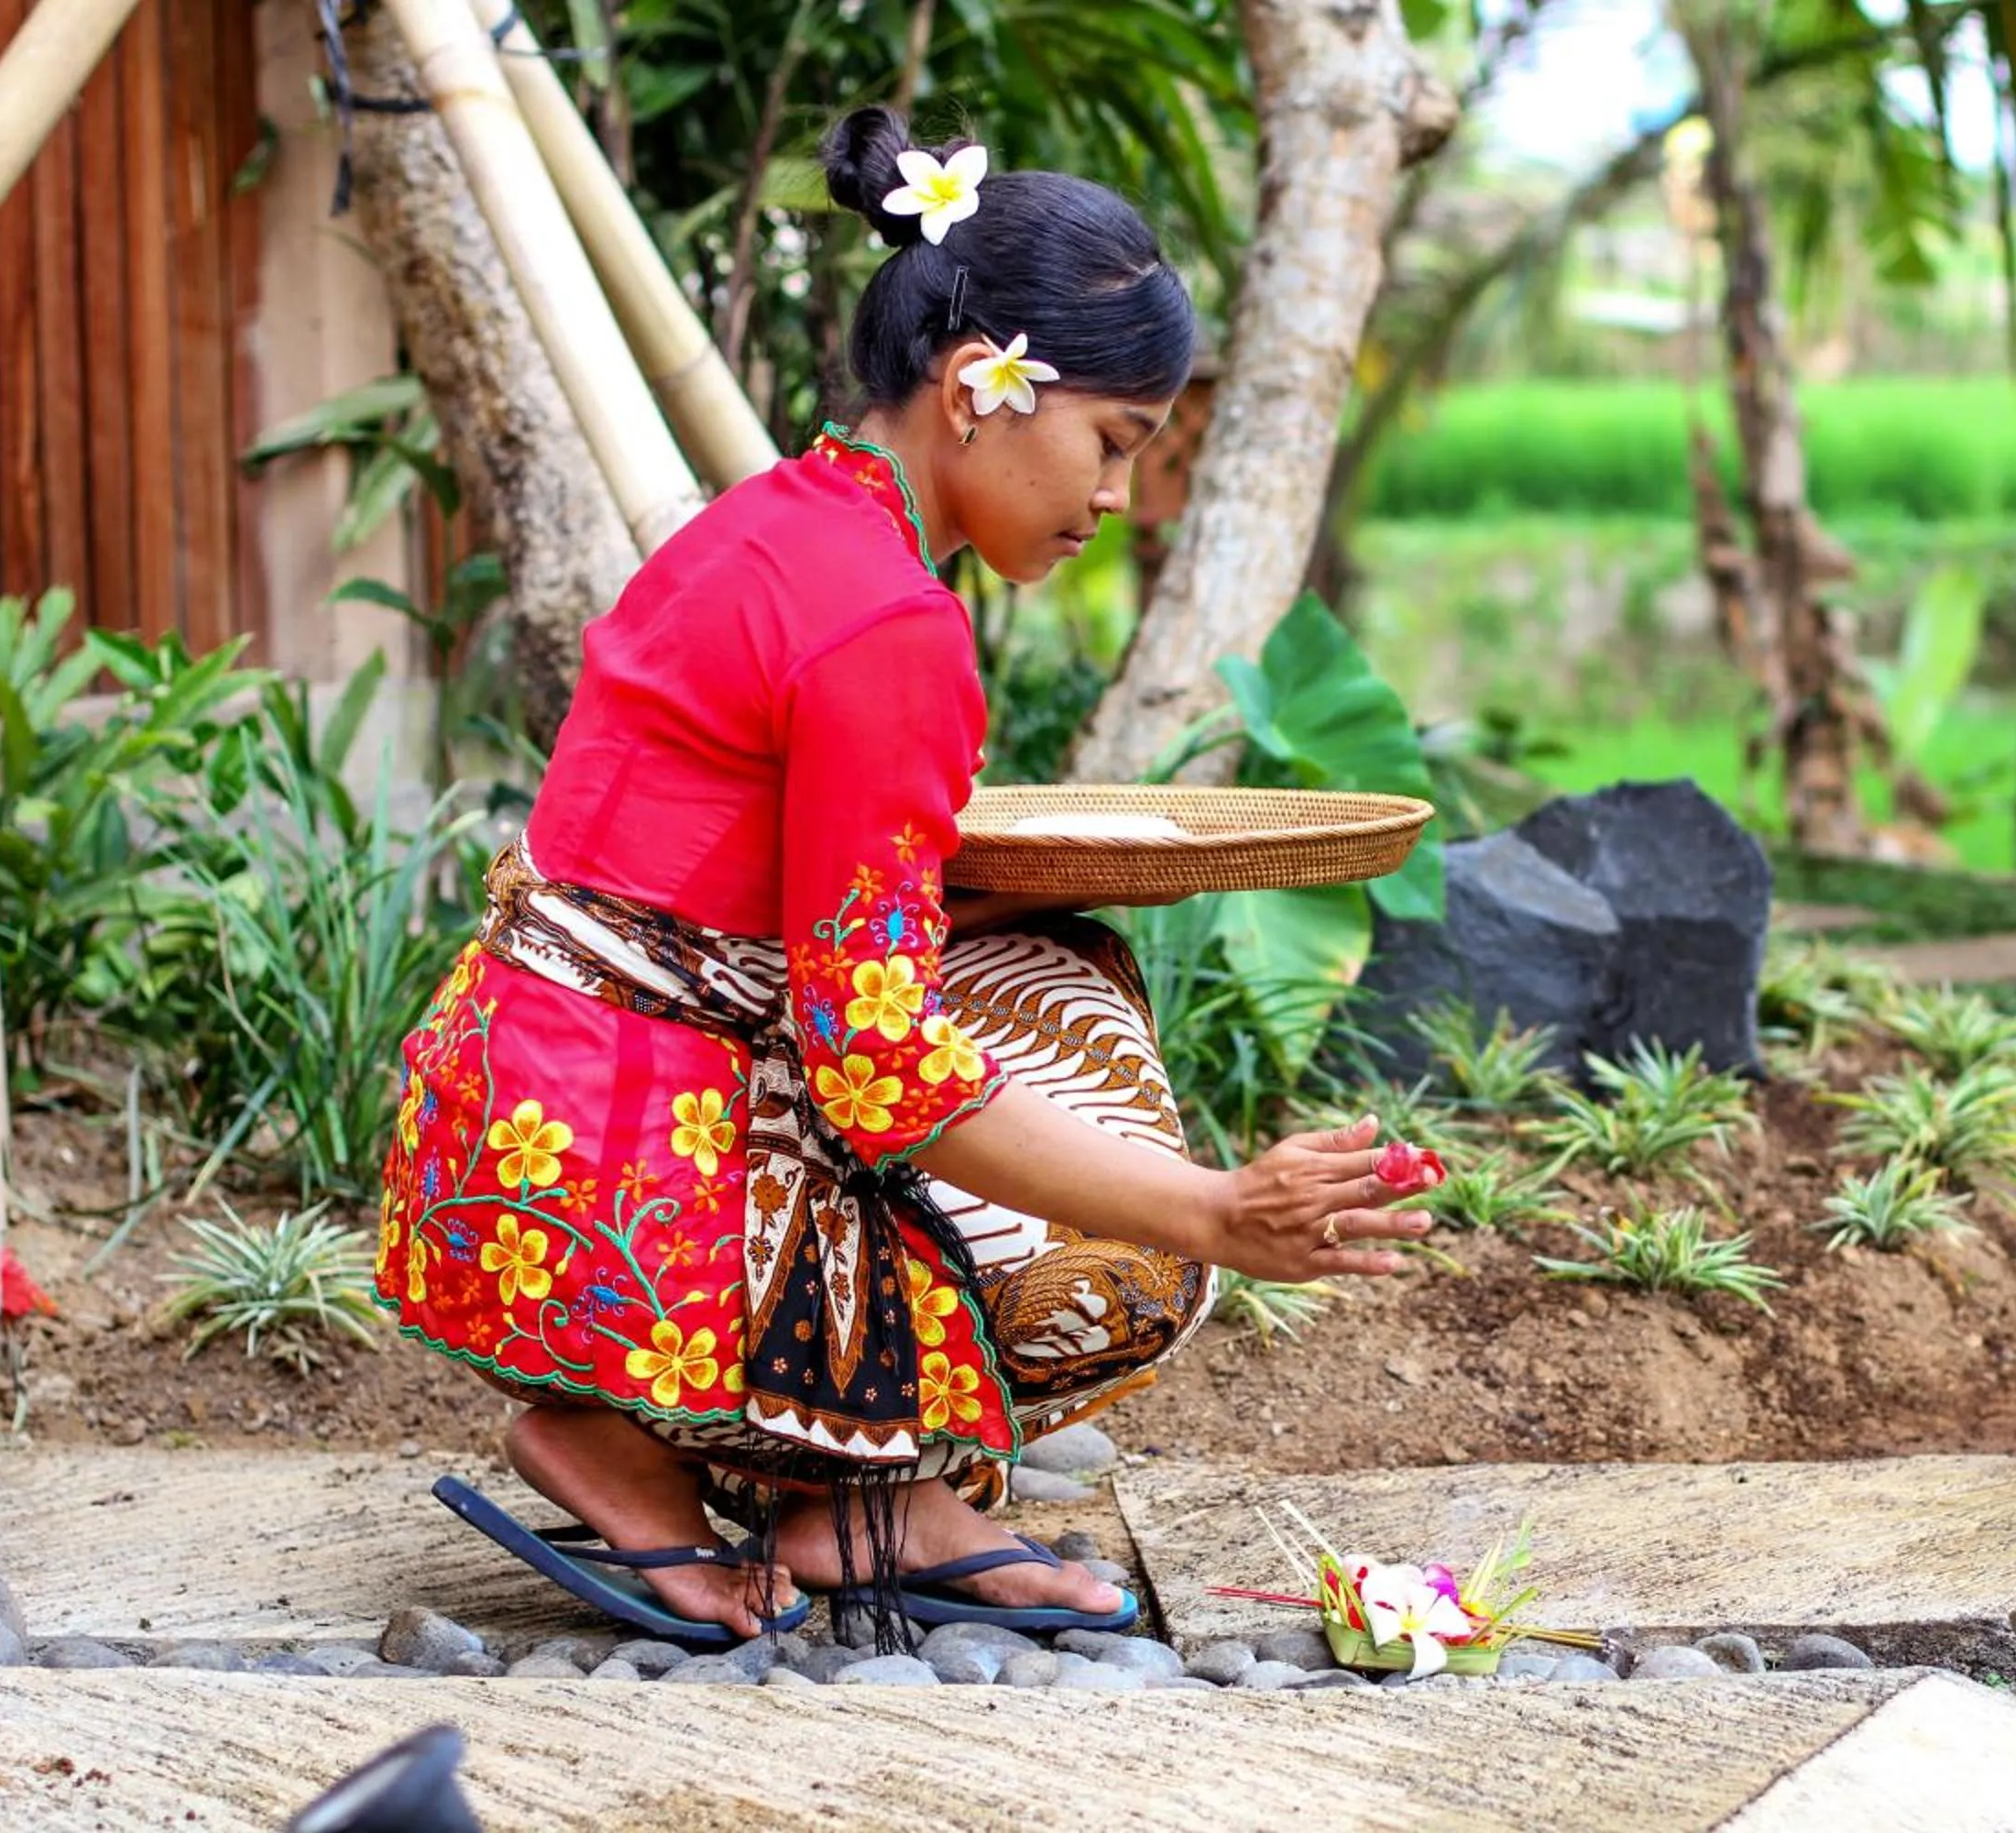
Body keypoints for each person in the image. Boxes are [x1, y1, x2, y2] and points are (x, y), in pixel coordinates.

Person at [376, 109, 1433, 1644]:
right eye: (1115, 443)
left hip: (488, 1161)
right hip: (605, 1224)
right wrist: (1213, 1213)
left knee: (1043, 964)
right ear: (978, 390)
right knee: (1117, 1222)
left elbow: (706, 901)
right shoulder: (890, 627)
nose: (1118, 497)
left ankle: (768, 1464)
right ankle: (750, 1465)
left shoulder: (764, 526)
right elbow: (876, 1073)